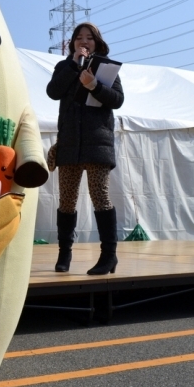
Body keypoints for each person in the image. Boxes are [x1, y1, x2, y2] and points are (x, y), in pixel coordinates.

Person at [46, 22, 124, 276]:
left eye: (89, 38)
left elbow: (118, 100)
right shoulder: (64, 66)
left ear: (97, 42)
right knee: (66, 200)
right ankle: (64, 254)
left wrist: (94, 86)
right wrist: (72, 65)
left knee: (100, 196)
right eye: (79, 38)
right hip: (69, 144)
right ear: (73, 44)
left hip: (97, 144)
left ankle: (109, 256)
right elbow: (53, 91)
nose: (84, 42)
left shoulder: (106, 67)